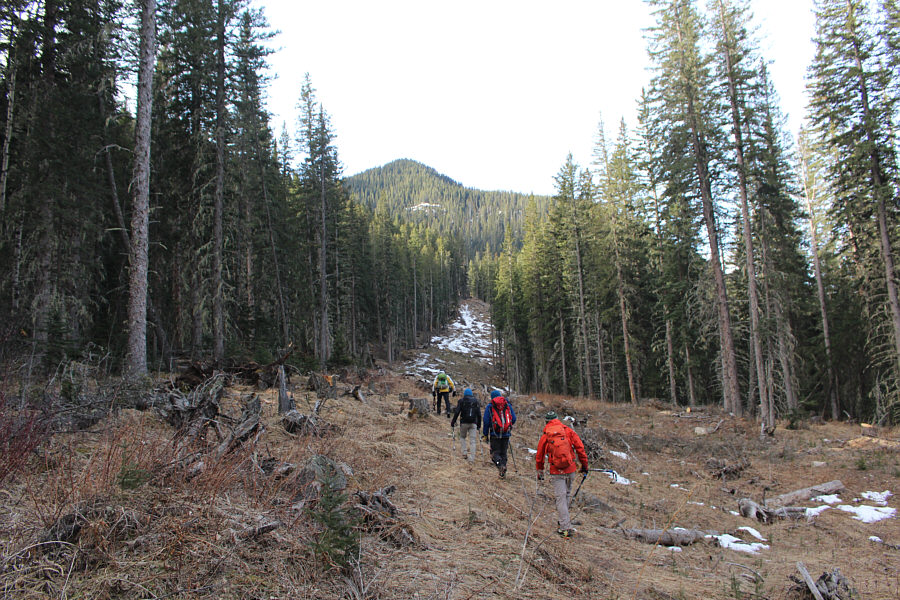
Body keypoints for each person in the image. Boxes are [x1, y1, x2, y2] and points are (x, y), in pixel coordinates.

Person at [535, 411, 589, 538]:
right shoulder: (567, 431)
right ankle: (564, 522)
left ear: (546, 421)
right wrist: (584, 466)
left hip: (556, 470)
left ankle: (565, 527)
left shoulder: (546, 435)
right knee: (567, 495)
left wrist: (540, 470)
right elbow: (580, 449)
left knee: (560, 498)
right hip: (570, 468)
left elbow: (539, 456)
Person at [482, 389, 516, 478]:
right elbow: (514, 418)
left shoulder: (490, 406)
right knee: (503, 453)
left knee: (494, 453)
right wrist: (507, 426)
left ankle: (500, 466)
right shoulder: (507, 405)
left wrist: (485, 433)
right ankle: (503, 471)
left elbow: (486, 421)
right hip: (506, 433)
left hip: (495, 433)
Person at [450, 388, 481, 462]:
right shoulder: (476, 401)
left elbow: (457, 412)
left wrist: (453, 421)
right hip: (473, 423)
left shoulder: (461, 401)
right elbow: (479, 414)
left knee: (462, 437)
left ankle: (464, 452)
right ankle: (472, 458)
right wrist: (479, 425)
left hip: (464, 422)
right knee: (472, 440)